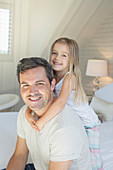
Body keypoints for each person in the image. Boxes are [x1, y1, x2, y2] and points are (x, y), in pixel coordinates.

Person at [25, 38, 103, 170]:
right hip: (72, 120)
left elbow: (60, 102)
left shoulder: (70, 77)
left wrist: (42, 121)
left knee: (91, 157)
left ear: (72, 60)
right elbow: (41, 97)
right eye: (54, 53)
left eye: (64, 55)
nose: (57, 58)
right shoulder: (52, 76)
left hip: (88, 124)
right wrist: (28, 114)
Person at [6, 57, 92, 170]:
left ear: (52, 85)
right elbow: (19, 155)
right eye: (25, 85)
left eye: (39, 83)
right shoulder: (24, 113)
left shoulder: (65, 129)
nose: (32, 92)